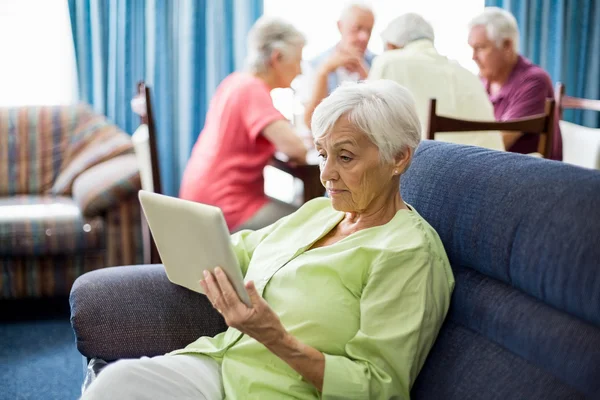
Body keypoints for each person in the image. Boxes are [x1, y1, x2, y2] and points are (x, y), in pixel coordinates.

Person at [81, 80, 455, 399]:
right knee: (113, 384)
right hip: (225, 362)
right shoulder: (320, 212)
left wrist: (276, 338)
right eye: (323, 155)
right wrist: (190, 242)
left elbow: (379, 387)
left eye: (345, 157)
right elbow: (240, 251)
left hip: (284, 391)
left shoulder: (407, 253)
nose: (327, 175)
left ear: (399, 158)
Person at [179, 17, 308, 232]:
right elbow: (296, 150)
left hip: (200, 201)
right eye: (298, 61)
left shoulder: (235, 81)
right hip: (225, 208)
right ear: (277, 58)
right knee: (311, 225)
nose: (300, 71)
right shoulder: (252, 89)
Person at [370, 13, 504, 151]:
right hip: (495, 167)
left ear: (391, 46)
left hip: (440, 168)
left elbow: (367, 126)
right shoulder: (468, 74)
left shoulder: (388, 62)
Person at [468, 7, 562, 160]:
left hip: (530, 177)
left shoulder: (534, 81)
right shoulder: (482, 81)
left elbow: (497, 143)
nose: (473, 57)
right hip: (496, 168)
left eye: (480, 48)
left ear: (507, 45)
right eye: (472, 48)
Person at [298, 2, 376, 129]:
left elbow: (386, 116)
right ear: (340, 26)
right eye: (357, 28)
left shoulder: (377, 63)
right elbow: (309, 122)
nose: (364, 37)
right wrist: (324, 72)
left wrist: (366, 75)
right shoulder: (314, 65)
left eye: (369, 30)